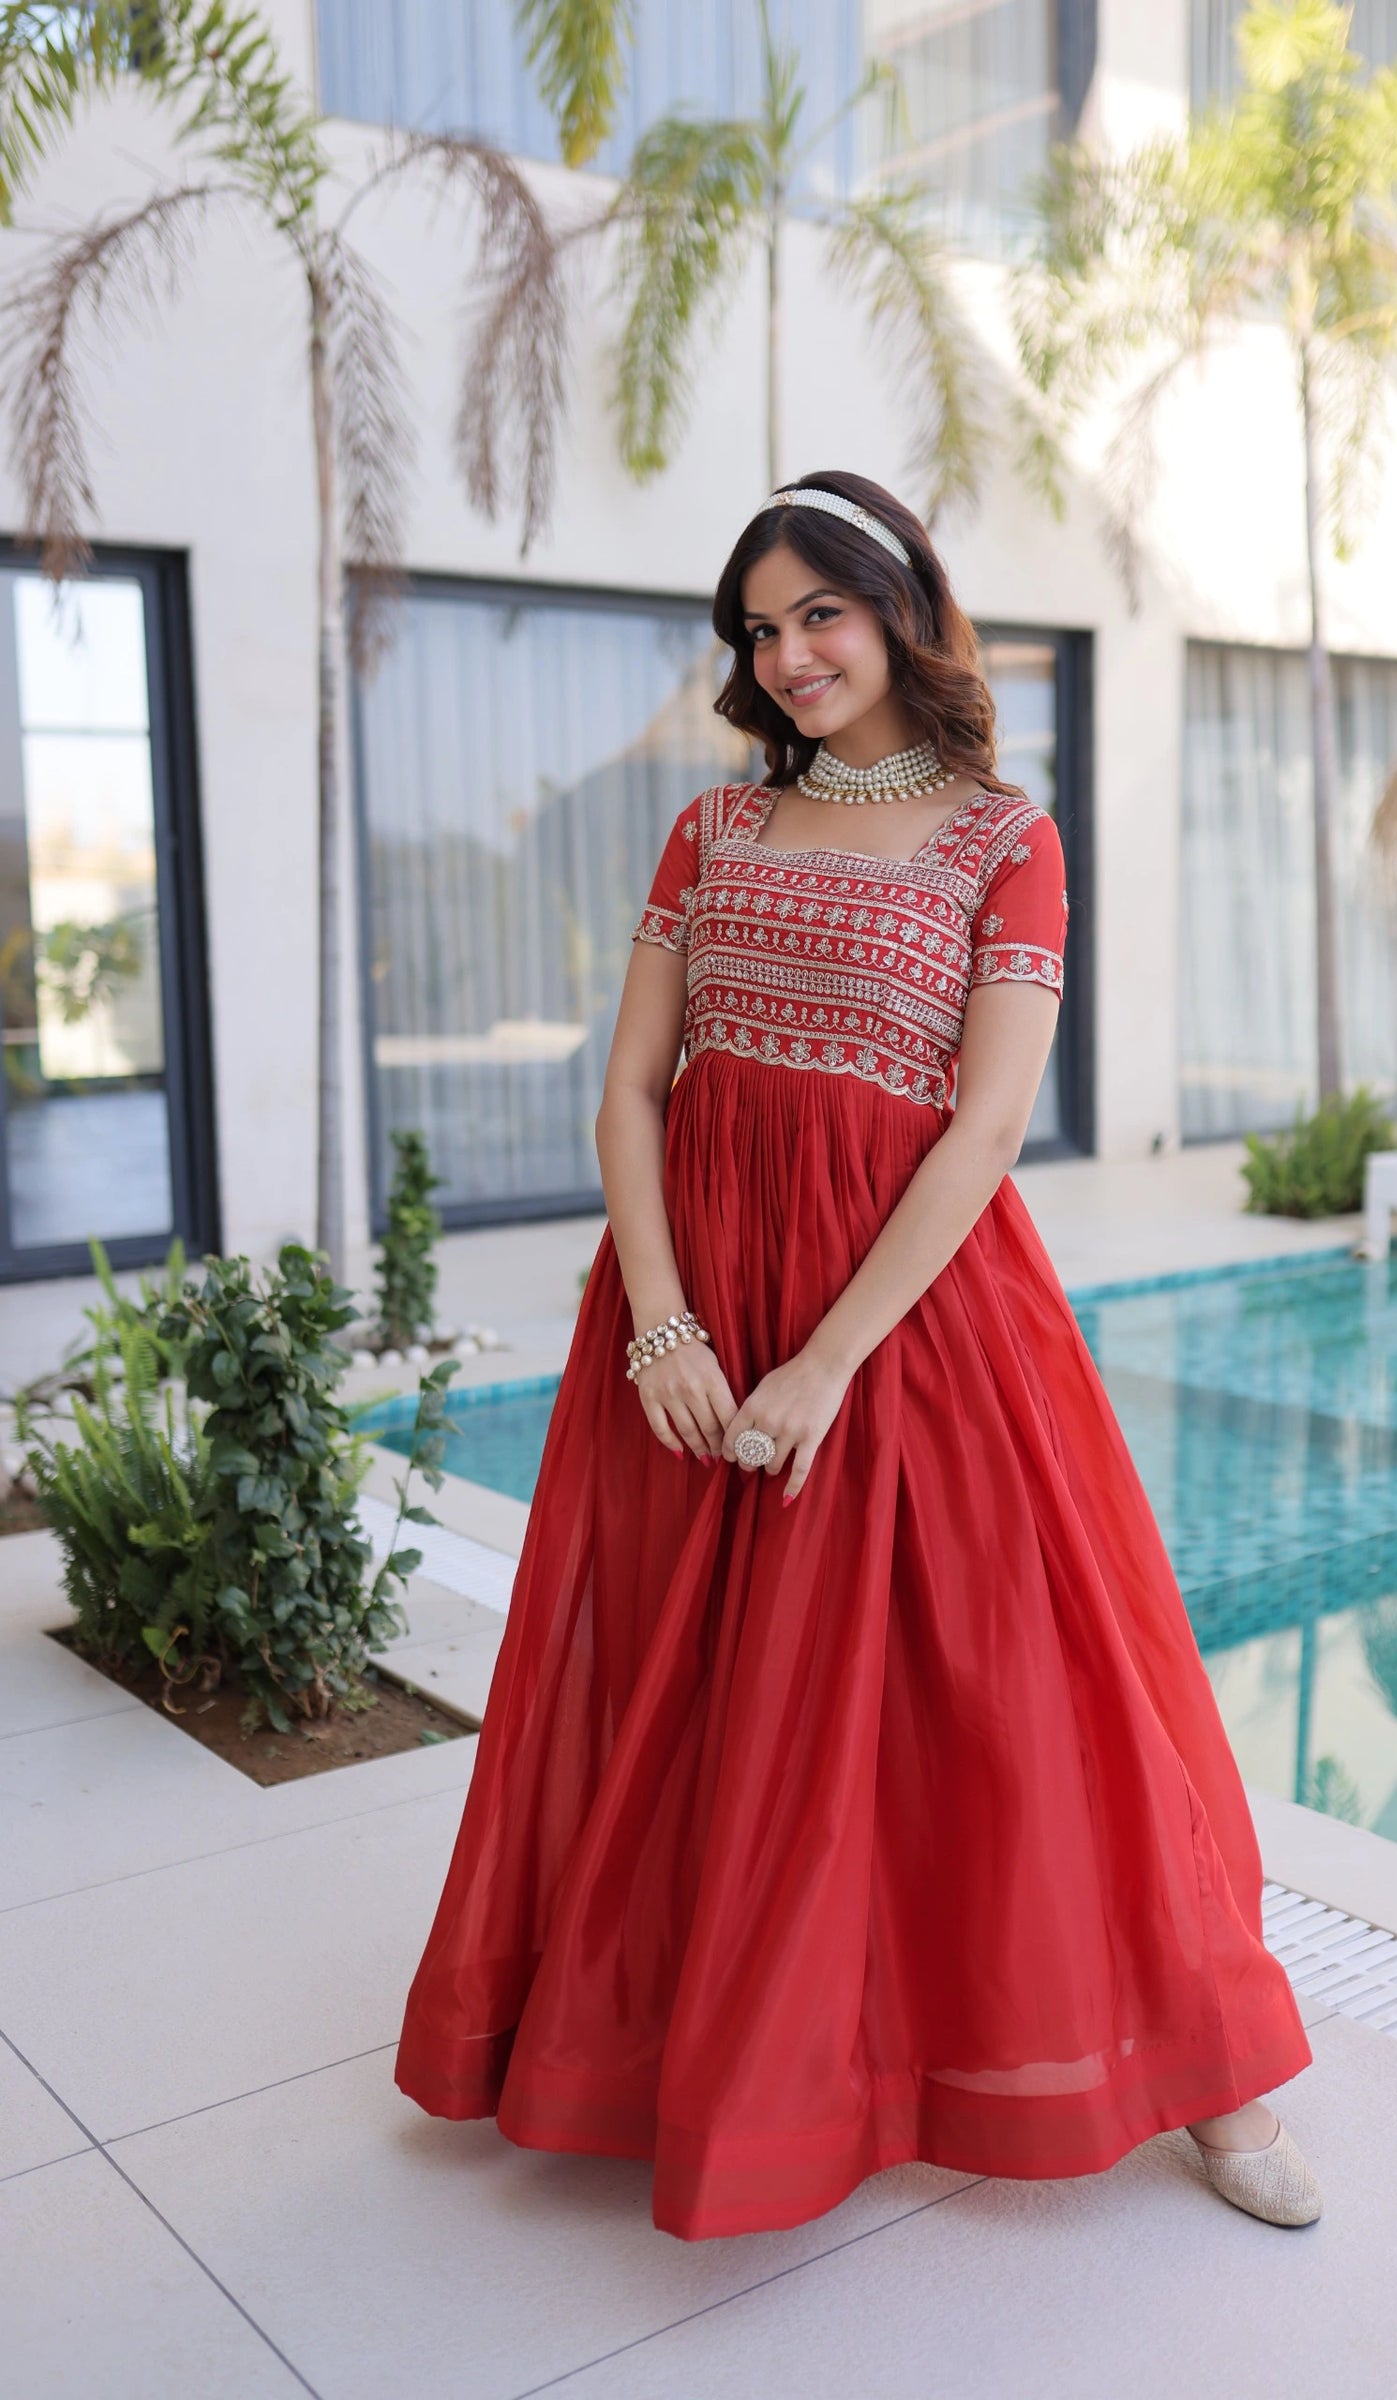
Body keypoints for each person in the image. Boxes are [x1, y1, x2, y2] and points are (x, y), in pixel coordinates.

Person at [395, 470, 1322, 2240]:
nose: (790, 655)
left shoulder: (1006, 840)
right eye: (760, 629)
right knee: (698, 1682)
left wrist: (826, 1362)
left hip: (906, 1310)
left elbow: (987, 1129)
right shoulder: (711, 831)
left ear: (899, 608)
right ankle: (718, 2057)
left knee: (1016, 1682)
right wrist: (663, 1321)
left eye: (818, 613)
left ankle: (1211, 2077)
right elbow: (631, 1095)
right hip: (691, 1310)